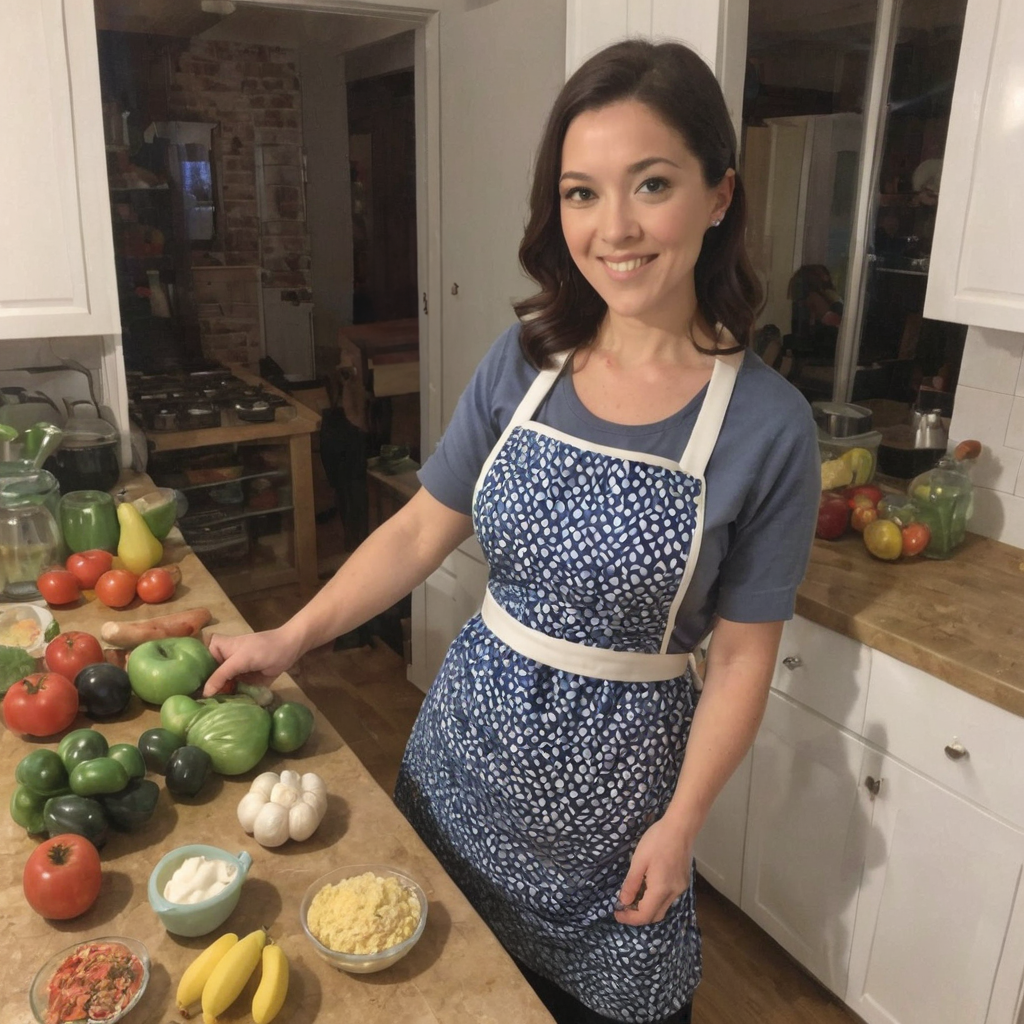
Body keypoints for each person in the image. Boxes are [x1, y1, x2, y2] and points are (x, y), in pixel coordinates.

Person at [202, 39, 820, 1024]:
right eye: (581, 192)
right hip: (461, 767)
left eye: (649, 184)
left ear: (717, 195)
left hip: (618, 825)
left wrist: (682, 824)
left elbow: (744, 659)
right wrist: (290, 636)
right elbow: (416, 533)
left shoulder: (769, 424)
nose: (612, 228)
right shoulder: (523, 360)